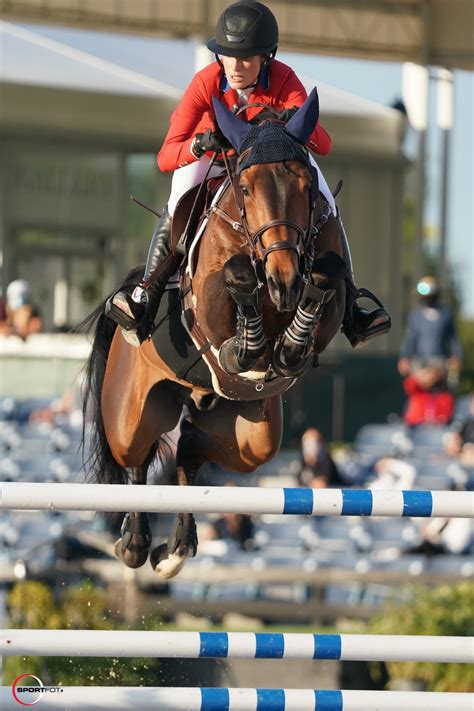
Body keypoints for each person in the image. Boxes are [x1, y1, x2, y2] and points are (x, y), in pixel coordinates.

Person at [106, 0, 390, 354]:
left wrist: (296, 119)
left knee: (326, 198)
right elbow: (166, 156)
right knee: (179, 194)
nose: (235, 67)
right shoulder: (205, 83)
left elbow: (324, 144)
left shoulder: (285, 78)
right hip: (216, 159)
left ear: (265, 58)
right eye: (227, 55)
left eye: (246, 57)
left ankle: (352, 305)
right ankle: (145, 293)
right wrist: (198, 144)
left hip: (270, 163)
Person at [398, 276, 462, 378]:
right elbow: (410, 338)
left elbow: (453, 339)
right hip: (419, 363)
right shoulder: (416, 316)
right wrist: (405, 358)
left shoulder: (446, 315)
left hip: (440, 363)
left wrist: (456, 357)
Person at [402, 359, 454, 427]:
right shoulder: (418, 392)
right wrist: (421, 378)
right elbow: (409, 384)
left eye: (434, 375)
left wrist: (437, 421)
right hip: (414, 426)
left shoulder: (445, 396)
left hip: (433, 430)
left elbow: (445, 416)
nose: (430, 378)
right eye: (428, 374)